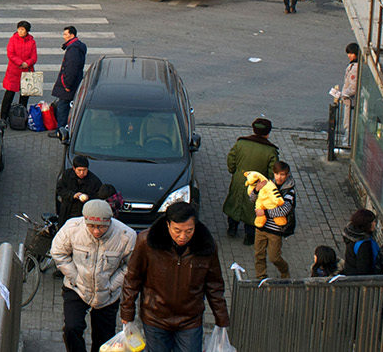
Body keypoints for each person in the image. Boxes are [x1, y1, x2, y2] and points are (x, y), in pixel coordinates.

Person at [119, 202, 230, 352]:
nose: (183, 236)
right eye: (177, 230)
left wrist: (221, 317)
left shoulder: (206, 246)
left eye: (189, 231)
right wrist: (127, 311)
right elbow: (133, 278)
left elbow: (214, 284)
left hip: (190, 319)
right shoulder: (147, 242)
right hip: (155, 317)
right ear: (168, 225)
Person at [52, 200, 137, 352]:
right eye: (91, 226)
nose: (96, 231)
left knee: (104, 337)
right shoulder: (72, 228)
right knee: (72, 328)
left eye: (102, 227)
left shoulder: (126, 236)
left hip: (108, 294)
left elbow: (131, 266)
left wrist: (113, 284)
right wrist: (76, 278)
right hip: (77, 288)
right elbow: (58, 253)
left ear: (110, 222)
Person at [223, 118, 279, 246]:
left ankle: (232, 229)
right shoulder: (270, 151)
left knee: (235, 202)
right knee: (252, 209)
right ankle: (249, 236)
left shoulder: (241, 143)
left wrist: (234, 171)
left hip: (239, 180)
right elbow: (272, 172)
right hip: (257, 185)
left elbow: (231, 158)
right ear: (268, 133)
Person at [253, 161, 296, 279]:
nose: (279, 177)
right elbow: (253, 199)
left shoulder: (289, 191)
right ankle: (261, 277)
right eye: (277, 174)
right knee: (259, 254)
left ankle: (284, 270)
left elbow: (284, 210)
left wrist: (265, 212)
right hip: (261, 226)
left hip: (275, 230)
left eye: (282, 174)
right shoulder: (268, 184)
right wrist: (256, 190)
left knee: (274, 257)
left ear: (287, 175)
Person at [0, 21, 38, 123]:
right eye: (19, 29)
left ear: (27, 31)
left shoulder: (32, 42)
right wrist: (21, 63)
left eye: (23, 30)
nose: (20, 31)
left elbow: (34, 57)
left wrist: (27, 63)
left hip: (27, 72)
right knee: (9, 95)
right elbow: (10, 54)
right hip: (14, 71)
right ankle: (3, 116)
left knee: (24, 96)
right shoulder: (13, 39)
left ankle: (21, 116)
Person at [54, 155, 111, 225]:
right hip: (66, 212)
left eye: (84, 170)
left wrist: (88, 198)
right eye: (79, 170)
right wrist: (73, 195)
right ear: (74, 168)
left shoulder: (94, 181)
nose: (82, 173)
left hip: (83, 214)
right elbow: (60, 189)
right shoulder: (67, 175)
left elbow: (98, 198)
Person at [52, 26, 86, 133]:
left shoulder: (73, 50)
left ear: (72, 35)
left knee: (62, 106)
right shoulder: (76, 47)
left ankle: (61, 130)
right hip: (73, 82)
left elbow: (71, 68)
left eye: (65, 34)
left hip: (68, 85)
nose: (64, 37)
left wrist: (67, 85)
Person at [341, 209, 380, 275]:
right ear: (367, 224)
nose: (375, 224)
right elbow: (364, 269)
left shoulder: (352, 235)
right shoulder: (364, 245)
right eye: (373, 222)